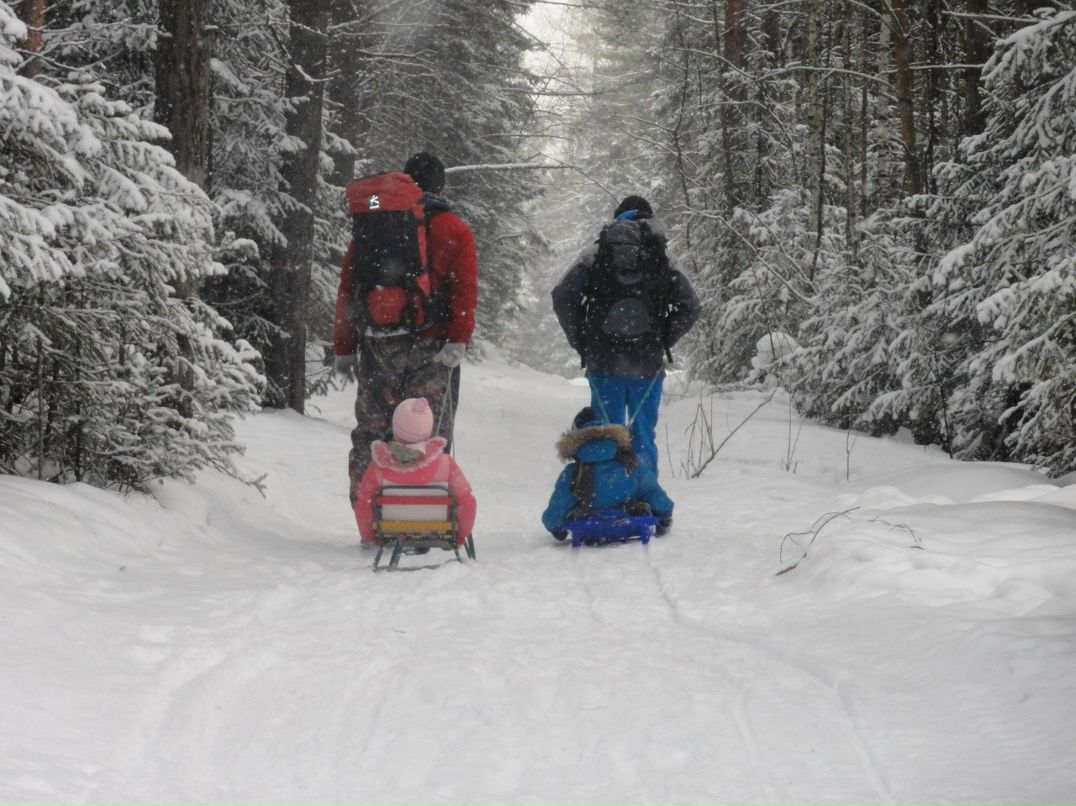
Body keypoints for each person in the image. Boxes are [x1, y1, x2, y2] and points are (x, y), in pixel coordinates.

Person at [333, 152, 478, 506]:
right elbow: (464, 291)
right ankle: (425, 511)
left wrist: (344, 346)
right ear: (440, 185)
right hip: (433, 347)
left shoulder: (374, 224)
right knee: (426, 432)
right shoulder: (453, 229)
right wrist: (458, 339)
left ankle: (369, 510)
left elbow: (349, 288)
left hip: (379, 342)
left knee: (373, 429)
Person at [552, 195, 700, 477]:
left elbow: (562, 297)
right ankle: (644, 492)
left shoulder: (596, 253)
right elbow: (691, 306)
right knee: (643, 434)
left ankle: (605, 492)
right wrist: (663, 339)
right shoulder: (663, 256)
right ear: (650, 218)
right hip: (647, 363)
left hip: (603, 361)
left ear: (618, 217)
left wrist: (582, 342)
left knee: (606, 434)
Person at [353, 397, 476, 548]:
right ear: (428, 430)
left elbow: (362, 503)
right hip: (438, 530)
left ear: (395, 428)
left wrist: (369, 537)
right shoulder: (445, 464)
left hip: (391, 531)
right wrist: (461, 535)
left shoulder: (379, 467)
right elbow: (468, 502)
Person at [542, 406, 673, 540]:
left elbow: (559, 506)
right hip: (630, 524)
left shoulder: (573, 472)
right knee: (640, 502)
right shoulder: (630, 462)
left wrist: (555, 527)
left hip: (590, 529)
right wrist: (665, 514)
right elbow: (652, 491)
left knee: (576, 511)